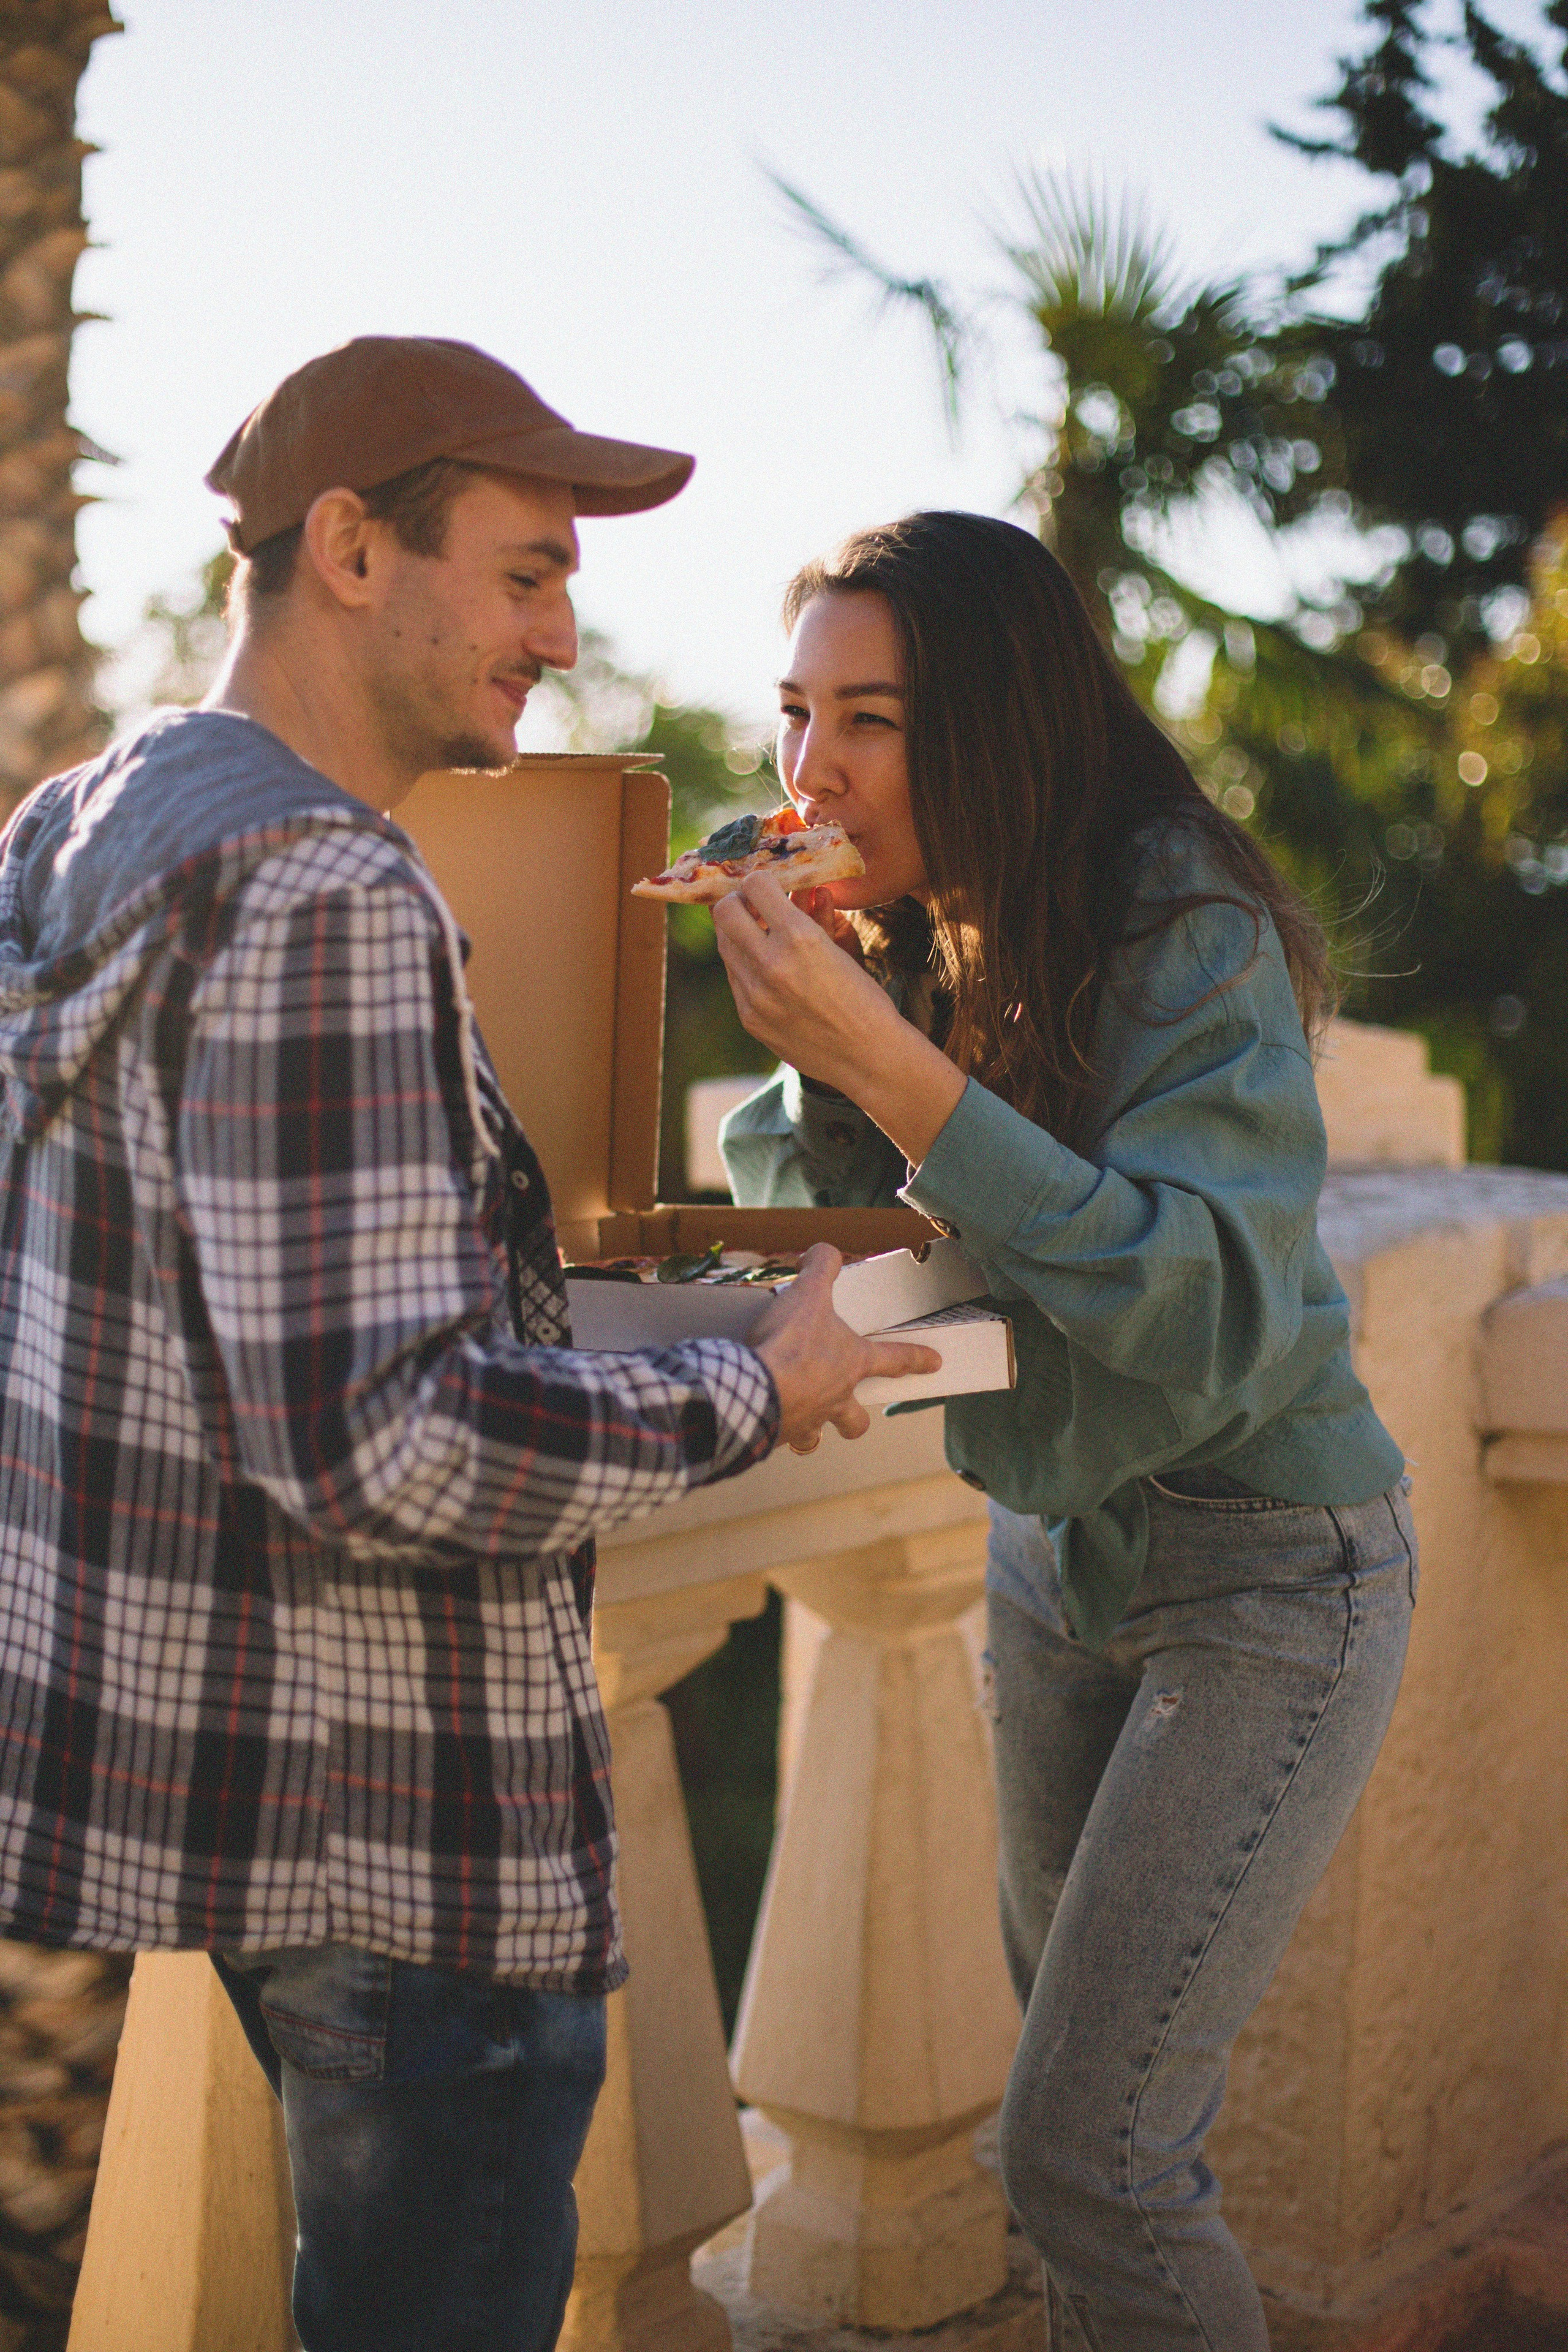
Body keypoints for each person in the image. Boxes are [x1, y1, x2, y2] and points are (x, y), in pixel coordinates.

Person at [0, 337, 937, 2352]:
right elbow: (378, 1446)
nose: (560, 624)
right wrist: (748, 1382)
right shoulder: (329, 885)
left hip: (226, 1778)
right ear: (349, 548)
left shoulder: (94, 821)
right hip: (398, 1826)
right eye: (523, 570)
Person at [715, 510, 1415, 2352]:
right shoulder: (946, 922)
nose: (812, 772)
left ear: (1000, 718)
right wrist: (824, 1030)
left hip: (1272, 1570)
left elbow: (1194, 1301)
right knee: (1074, 2132)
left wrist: (885, 1057)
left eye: (868, 717)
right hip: (1058, 1551)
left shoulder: (1175, 911)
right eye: (791, 716)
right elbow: (859, 1231)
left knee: (1089, 2155)